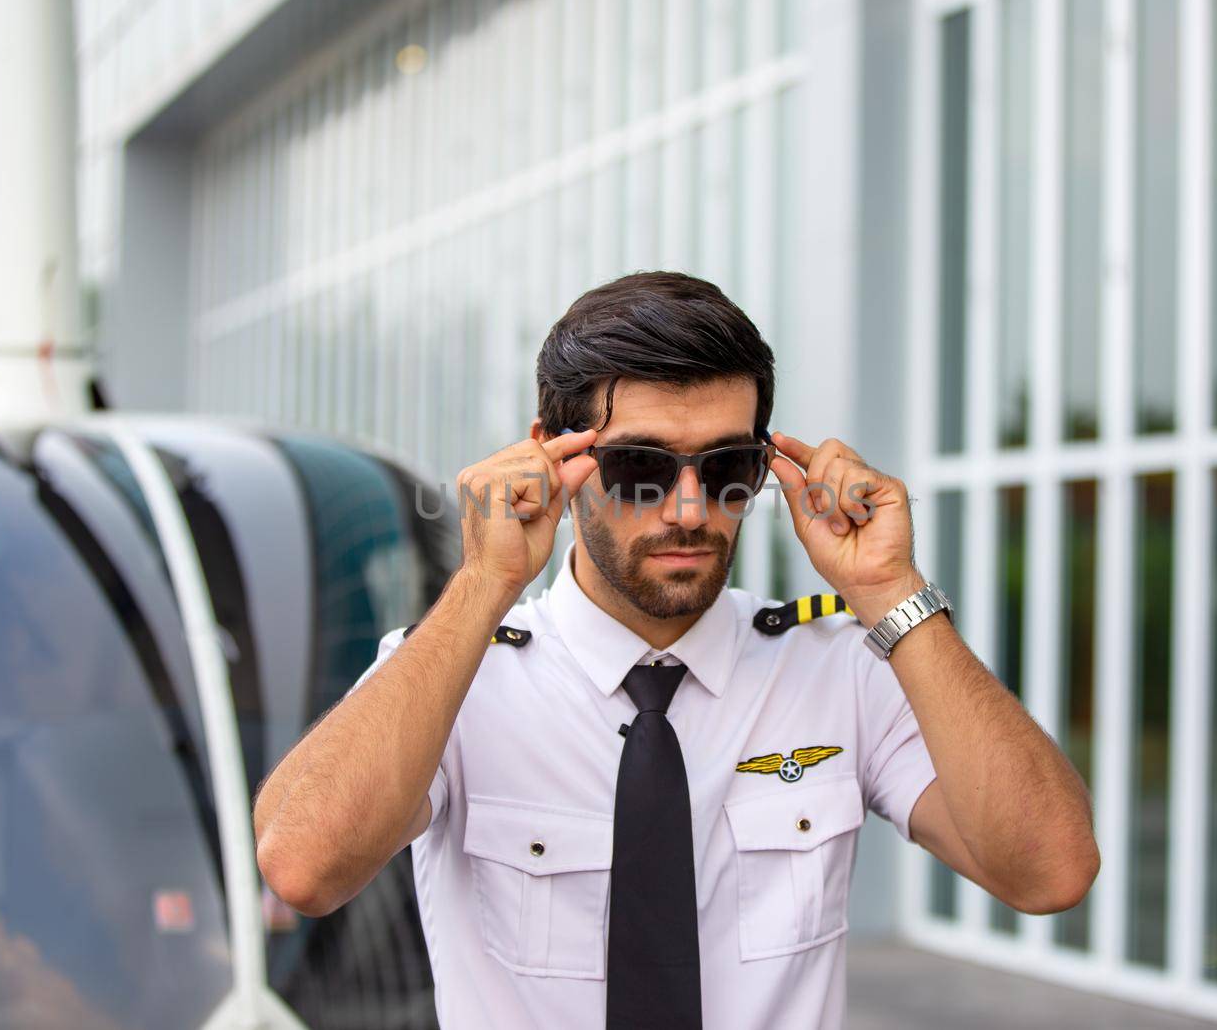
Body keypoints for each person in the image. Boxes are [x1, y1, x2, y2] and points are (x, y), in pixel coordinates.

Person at [253, 271, 1098, 1029]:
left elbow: (1049, 871)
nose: (691, 508)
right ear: (555, 455)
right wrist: (483, 585)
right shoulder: (458, 676)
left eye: (727, 465)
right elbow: (302, 864)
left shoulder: (838, 664)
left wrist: (892, 590)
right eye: (640, 468)